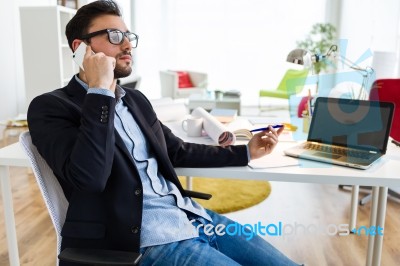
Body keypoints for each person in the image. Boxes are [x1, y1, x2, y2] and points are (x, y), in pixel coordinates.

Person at [27, 1, 300, 265]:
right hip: (143, 241)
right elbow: (90, 178)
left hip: (191, 216)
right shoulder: (50, 107)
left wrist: (245, 151)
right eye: (114, 35)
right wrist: (99, 91)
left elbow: (176, 150)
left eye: (128, 36)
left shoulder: (135, 100)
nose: (127, 45)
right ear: (80, 48)